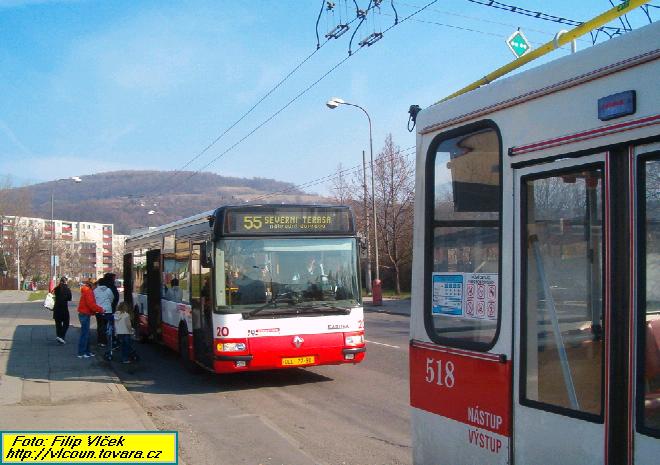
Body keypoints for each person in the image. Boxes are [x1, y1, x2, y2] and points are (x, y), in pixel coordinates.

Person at [77, 279, 104, 358]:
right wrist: (101, 309)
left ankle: (86, 351)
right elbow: (91, 304)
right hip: (85, 314)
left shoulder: (87, 291)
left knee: (86, 334)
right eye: (96, 286)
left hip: (84, 313)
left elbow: (90, 304)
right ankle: (82, 352)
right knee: (85, 334)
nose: (96, 288)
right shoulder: (89, 292)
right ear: (93, 285)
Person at [94, 277, 114, 347]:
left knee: (99, 325)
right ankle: (105, 341)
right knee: (106, 326)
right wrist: (108, 304)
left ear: (99, 283)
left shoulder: (95, 290)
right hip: (107, 310)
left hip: (98, 310)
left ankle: (100, 341)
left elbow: (94, 300)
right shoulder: (108, 290)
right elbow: (112, 299)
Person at [52, 277, 72, 344]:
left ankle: (59, 336)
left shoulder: (56, 288)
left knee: (58, 324)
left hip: (56, 309)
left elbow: (53, 295)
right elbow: (69, 298)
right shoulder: (67, 289)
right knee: (66, 323)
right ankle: (61, 336)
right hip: (64, 309)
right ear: (66, 281)